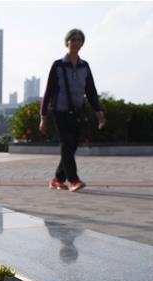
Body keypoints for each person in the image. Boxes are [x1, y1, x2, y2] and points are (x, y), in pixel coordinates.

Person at [39, 28, 105, 192]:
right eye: (73, 39)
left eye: (79, 40)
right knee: (67, 144)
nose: (76, 42)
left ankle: (57, 178)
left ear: (82, 43)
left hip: (78, 113)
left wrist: (99, 112)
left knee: (71, 147)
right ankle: (73, 180)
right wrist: (43, 117)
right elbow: (48, 91)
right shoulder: (58, 65)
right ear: (66, 42)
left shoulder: (85, 66)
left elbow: (90, 91)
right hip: (60, 112)